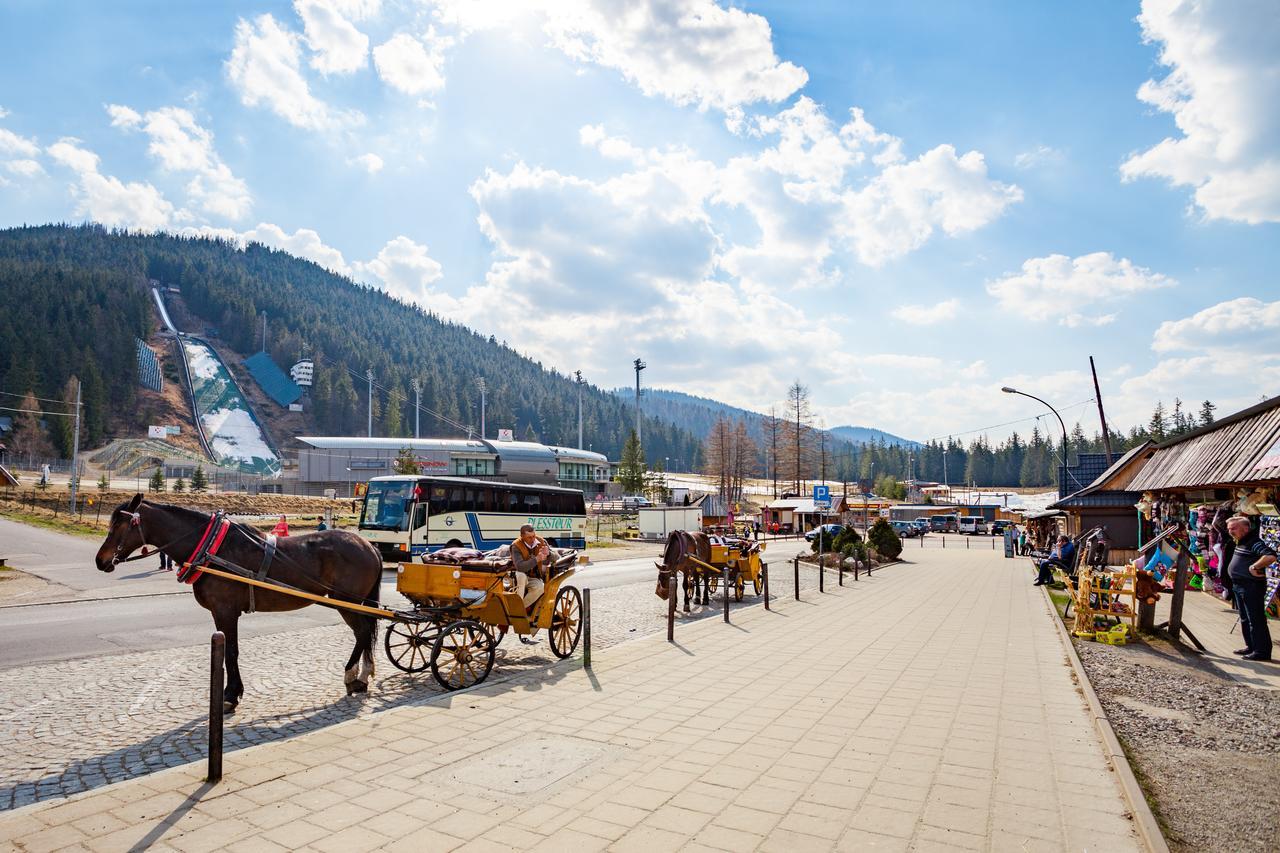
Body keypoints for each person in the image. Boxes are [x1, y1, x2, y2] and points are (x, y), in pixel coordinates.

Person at [1226, 516, 1276, 662]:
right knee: (1245, 619)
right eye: (1229, 529)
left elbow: (1270, 556)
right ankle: (1251, 646)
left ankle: (1262, 651)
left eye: (1234, 528)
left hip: (1251, 586)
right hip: (1239, 585)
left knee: (1255, 619)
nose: (1230, 532)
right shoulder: (1241, 541)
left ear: (1245, 528)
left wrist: (1255, 566)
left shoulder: (1254, 541)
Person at [511, 522, 550, 612]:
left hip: (533, 577)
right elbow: (520, 567)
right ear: (522, 536)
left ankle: (519, 608)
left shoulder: (541, 541)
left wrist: (549, 553)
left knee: (540, 587)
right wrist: (537, 559)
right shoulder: (516, 546)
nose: (533, 539)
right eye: (529, 537)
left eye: (534, 536)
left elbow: (556, 558)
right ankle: (518, 607)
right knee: (521, 576)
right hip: (517, 576)